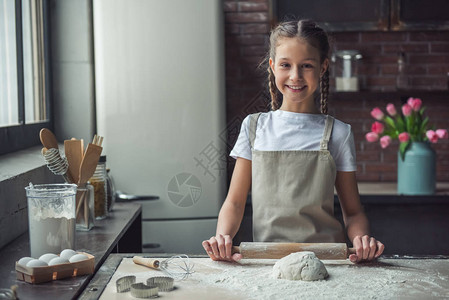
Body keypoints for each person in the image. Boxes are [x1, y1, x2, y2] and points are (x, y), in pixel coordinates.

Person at [202, 20, 384, 263]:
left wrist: (362, 239)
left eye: (306, 65)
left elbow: (353, 212)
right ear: (273, 67)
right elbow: (234, 203)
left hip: (327, 262)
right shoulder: (254, 127)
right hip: (267, 262)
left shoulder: (339, 133)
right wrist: (222, 237)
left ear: (322, 67)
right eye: (286, 65)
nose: (295, 76)